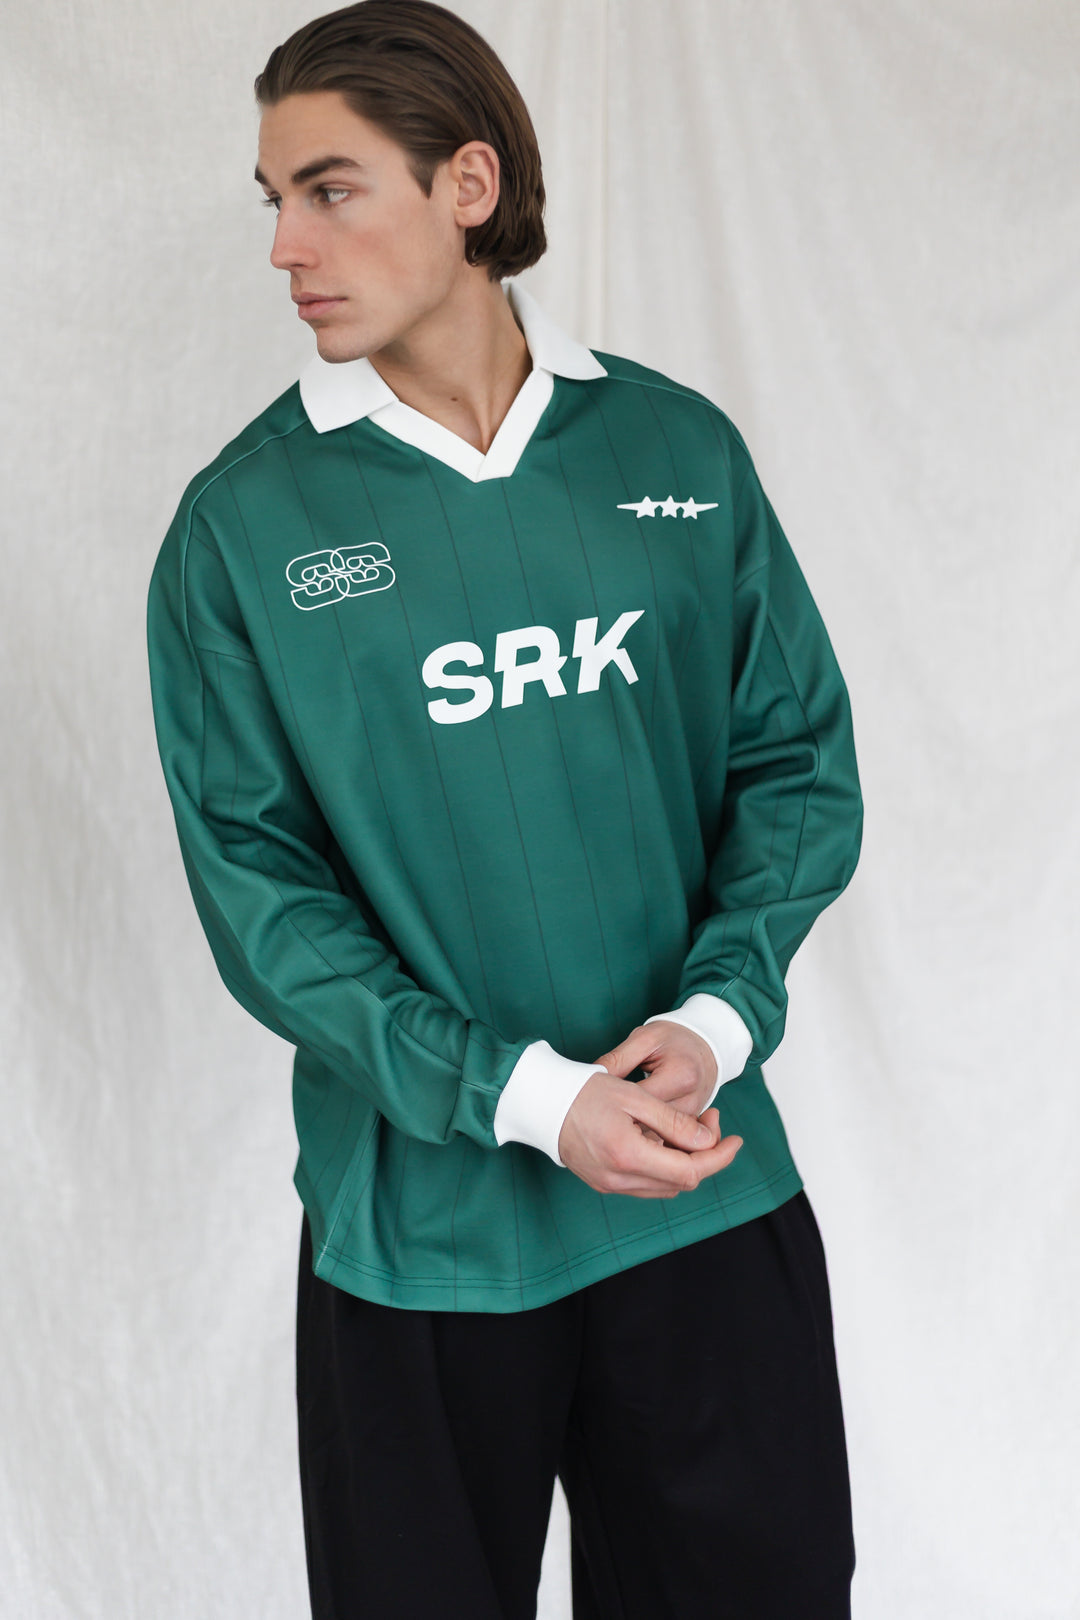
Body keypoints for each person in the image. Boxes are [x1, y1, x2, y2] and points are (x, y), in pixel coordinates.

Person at [146, 2, 864, 1615]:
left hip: (703, 1188)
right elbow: (264, 903)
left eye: (330, 190)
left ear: (468, 185)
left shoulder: (673, 445)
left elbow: (797, 764)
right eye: (273, 200)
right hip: (426, 1243)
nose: (286, 247)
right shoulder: (242, 530)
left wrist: (717, 1020)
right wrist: (525, 1098)